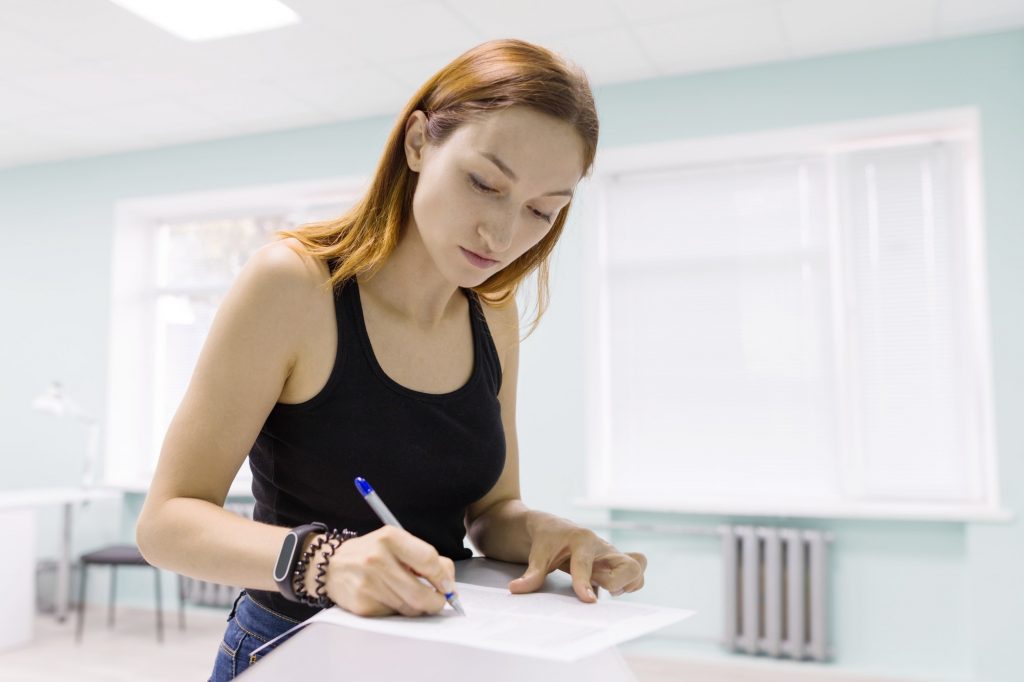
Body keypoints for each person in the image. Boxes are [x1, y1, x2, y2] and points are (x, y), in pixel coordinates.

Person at [135, 38, 648, 680]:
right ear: (416, 144)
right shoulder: (294, 285)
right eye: (485, 183)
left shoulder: (493, 312)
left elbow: (491, 514)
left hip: (432, 648)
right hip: (292, 646)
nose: (505, 234)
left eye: (544, 211)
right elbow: (165, 523)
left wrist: (550, 535)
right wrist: (327, 561)